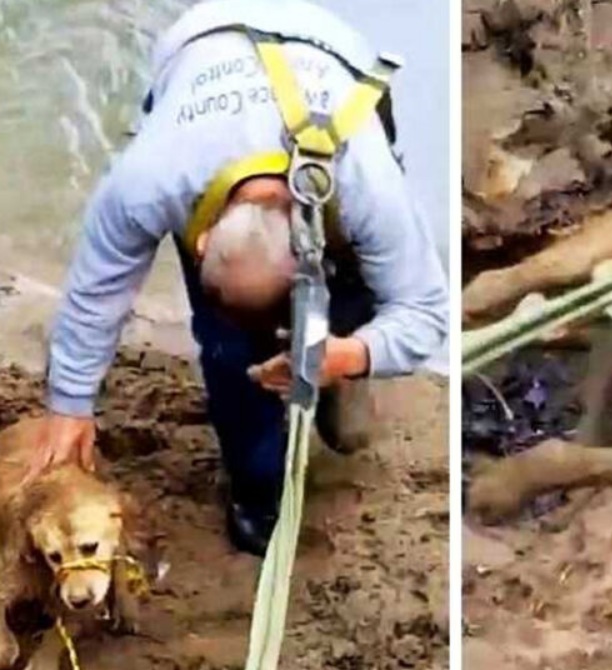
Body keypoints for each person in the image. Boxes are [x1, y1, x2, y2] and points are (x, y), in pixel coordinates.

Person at [24, 0, 448, 557]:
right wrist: (70, 404)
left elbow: (427, 311)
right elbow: (95, 294)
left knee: (356, 316)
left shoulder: (367, 184)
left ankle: (339, 365)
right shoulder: (152, 179)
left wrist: (349, 355)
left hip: (330, 54)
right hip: (204, 43)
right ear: (198, 242)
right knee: (230, 354)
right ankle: (257, 493)